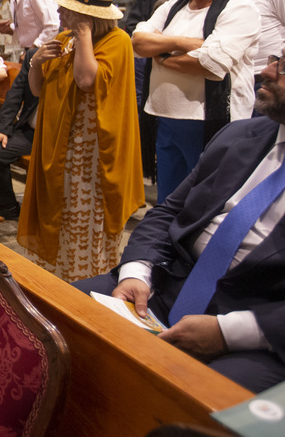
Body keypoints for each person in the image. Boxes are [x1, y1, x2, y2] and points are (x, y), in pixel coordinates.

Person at [72, 51, 285, 393]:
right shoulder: (240, 135)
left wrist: (229, 332)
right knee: (54, 316)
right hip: (167, 283)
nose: (266, 70)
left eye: (283, 66)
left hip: (254, 318)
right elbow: (168, 212)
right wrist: (137, 272)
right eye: (277, 58)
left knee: (197, 402)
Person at [16, 0, 145, 281]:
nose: (59, 13)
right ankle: (54, 280)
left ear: (85, 14)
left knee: (83, 220)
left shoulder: (117, 41)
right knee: (58, 217)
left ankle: (83, 284)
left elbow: (87, 80)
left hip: (92, 157)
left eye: (66, 9)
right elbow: (37, 90)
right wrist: (36, 63)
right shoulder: (64, 39)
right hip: (61, 149)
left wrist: (84, 32)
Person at [133, 0, 260, 204]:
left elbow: (210, 62)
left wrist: (162, 57)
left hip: (208, 121)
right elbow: (139, 42)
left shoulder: (240, 8)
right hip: (166, 116)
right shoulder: (172, 7)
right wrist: (181, 44)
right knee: (169, 199)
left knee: (203, 201)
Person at [0, 46, 39, 220]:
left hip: (57, 133)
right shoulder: (34, 55)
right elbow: (15, 94)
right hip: (30, 131)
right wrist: (3, 129)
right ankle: (6, 207)